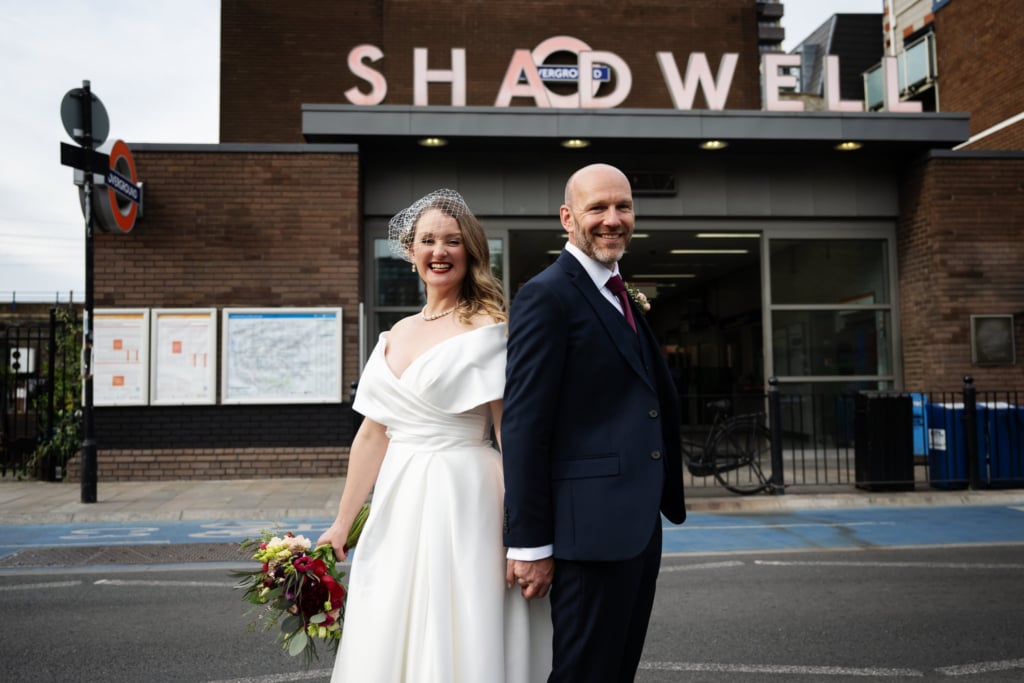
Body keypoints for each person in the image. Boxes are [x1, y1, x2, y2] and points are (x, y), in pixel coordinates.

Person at [317, 189, 550, 682]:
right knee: (389, 607)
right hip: (399, 497)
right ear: (410, 251)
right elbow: (372, 435)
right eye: (428, 241)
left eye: (452, 241)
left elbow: (513, 433)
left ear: (471, 252)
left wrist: (525, 530)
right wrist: (342, 523)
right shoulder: (394, 334)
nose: (439, 251)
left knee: (461, 613)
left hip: (467, 496)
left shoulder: (491, 328)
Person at [501, 163, 687, 682]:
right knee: (586, 672)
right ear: (568, 218)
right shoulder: (547, 295)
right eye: (597, 208)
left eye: (623, 207)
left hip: (635, 523)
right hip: (586, 532)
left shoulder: (618, 289)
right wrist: (531, 543)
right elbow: (524, 425)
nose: (613, 219)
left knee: (617, 669)